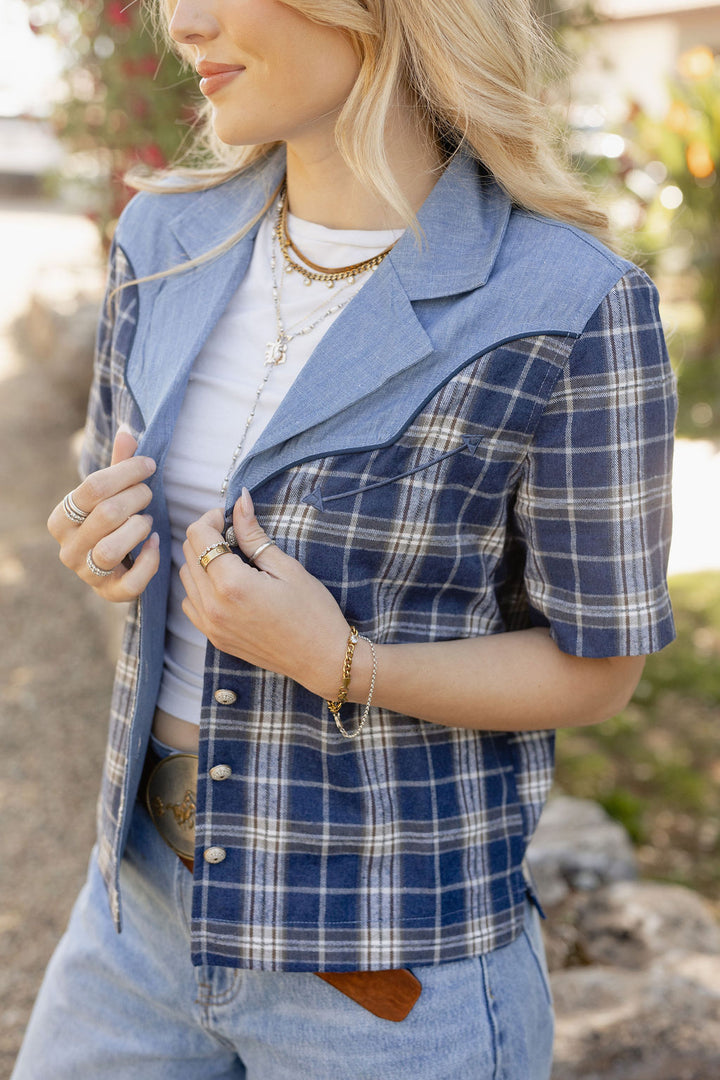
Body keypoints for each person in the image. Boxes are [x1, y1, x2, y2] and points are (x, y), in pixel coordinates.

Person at [13, 0, 676, 1077]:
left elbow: (597, 669)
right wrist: (99, 548)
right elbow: (109, 501)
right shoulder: (162, 239)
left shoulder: (570, 304)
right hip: (132, 923)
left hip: (385, 981)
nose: (181, 24)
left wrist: (345, 662)